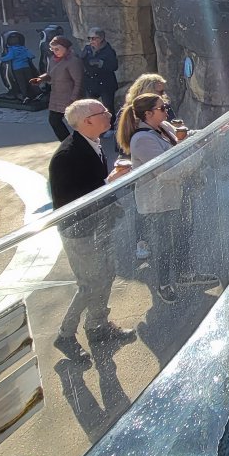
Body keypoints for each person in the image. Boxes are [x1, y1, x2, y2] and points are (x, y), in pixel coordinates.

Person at [48, 99, 134, 357]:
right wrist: (111, 182)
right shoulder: (67, 155)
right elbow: (76, 198)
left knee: (106, 274)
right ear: (87, 121)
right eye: (103, 113)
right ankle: (65, 335)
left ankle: (98, 326)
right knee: (89, 283)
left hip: (98, 224)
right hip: (80, 231)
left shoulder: (91, 144)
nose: (109, 115)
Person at [116, 93, 187, 303]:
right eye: (162, 108)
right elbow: (166, 171)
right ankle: (163, 285)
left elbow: (185, 134)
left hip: (171, 197)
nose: (167, 110)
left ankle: (182, 276)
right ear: (148, 114)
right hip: (157, 202)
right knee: (164, 245)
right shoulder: (143, 139)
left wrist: (213, 131)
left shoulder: (163, 128)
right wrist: (199, 153)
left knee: (177, 240)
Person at [32, 35, 83, 140]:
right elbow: (50, 74)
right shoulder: (53, 59)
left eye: (57, 49)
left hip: (69, 98)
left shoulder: (73, 61)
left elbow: (78, 81)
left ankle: (80, 143)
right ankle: (67, 142)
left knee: (76, 123)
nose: (55, 51)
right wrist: (40, 79)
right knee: (54, 120)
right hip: (56, 96)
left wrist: (73, 98)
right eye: (53, 49)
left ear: (66, 48)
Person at [81, 28, 120, 114]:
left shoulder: (108, 51)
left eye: (94, 38)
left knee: (108, 108)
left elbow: (114, 66)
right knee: (90, 107)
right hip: (91, 82)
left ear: (101, 38)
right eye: (89, 38)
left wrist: (101, 63)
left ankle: (111, 126)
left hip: (106, 84)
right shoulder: (87, 49)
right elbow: (82, 62)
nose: (91, 41)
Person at [0, 33, 37, 101]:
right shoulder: (23, 48)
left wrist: (1, 59)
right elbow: (31, 55)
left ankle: (24, 96)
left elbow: (10, 57)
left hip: (17, 68)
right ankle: (38, 92)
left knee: (21, 82)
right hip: (26, 67)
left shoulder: (11, 49)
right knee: (31, 80)